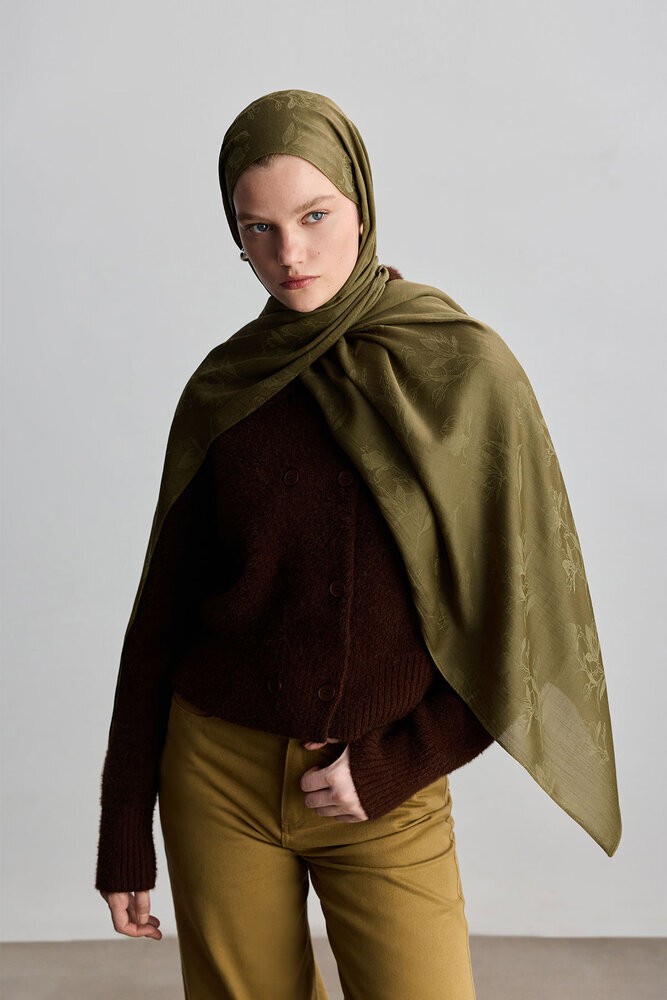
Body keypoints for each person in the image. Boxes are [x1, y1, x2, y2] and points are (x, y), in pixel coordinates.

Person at [95, 89, 621, 999]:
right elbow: (161, 620)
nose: (288, 254)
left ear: (362, 206)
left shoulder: (463, 372)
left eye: (313, 216)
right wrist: (122, 833)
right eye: (256, 228)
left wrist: (402, 761)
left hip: (385, 789)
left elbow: (525, 621)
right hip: (215, 779)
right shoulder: (226, 388)